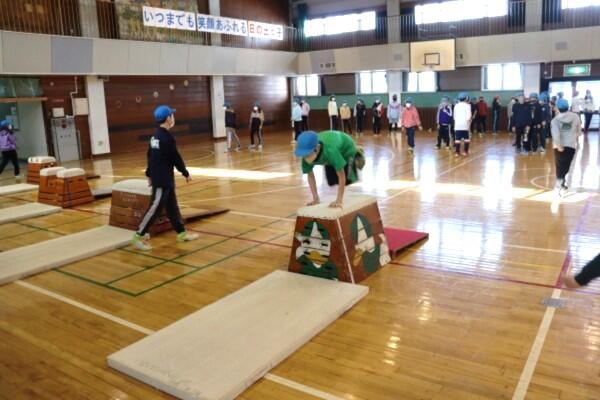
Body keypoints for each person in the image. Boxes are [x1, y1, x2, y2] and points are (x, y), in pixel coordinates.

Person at [131, 105, 199, 251]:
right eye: (172, 115)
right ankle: (138, 236)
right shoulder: (167, 138)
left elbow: (150, 156)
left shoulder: (155, 136)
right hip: (162, 180)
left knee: (172, 208)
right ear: (168, 118)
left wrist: (149, 174)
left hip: (164, 179)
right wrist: (185, 172)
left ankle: (181, 233)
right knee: (154, 208)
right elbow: (176, 158)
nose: (173, 117)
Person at [295, 130, 365, 208]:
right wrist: (315, 199)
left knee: (348, 180)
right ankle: (333, 161)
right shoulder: (305, 157)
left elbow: (341, 176)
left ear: (317, 148)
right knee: (332, 181)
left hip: (347, 148)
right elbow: (310, 176)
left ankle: (357, 152)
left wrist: (339, 200)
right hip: (330, 149)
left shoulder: (331, 151)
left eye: (307, 154)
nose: (305, 157)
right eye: (303, 155)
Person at [551, 98, 582, 197]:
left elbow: (555, 134)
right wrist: (574, 135)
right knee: (565, 166)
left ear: (558, 108)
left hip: (557, 147)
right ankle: (560, 185)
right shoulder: (575, 116)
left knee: (560, 166)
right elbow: (579, 131)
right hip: (571, 145)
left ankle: (559, 186)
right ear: (568, 107)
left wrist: (559, 145)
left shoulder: (555, 120)